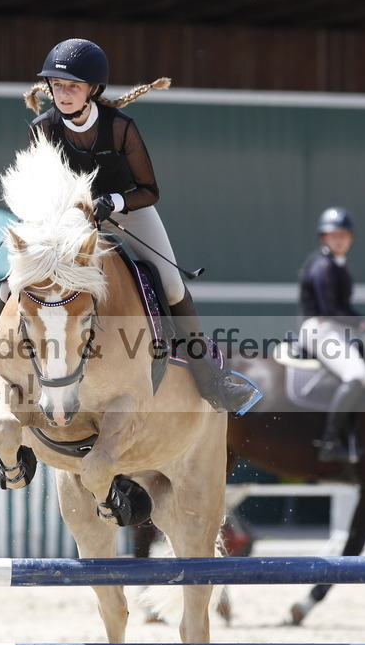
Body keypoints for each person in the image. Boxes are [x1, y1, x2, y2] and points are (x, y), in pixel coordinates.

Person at [16, 37, 261, 416]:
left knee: (172, 284)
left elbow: (149, 190)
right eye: (58, 86)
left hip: (127, 209)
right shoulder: (42, 127)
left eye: (73, 86)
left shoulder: (120, 128)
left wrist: (112, 201)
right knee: (14, 284)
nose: (63, 94)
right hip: (67, 220)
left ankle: (211, 378)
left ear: (92, 90)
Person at [298, 206, 365, 463]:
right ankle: (329, 441)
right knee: (357, 376)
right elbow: (330, 309)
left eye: (344, 235)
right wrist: (364, 323)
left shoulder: (338, 264)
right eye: (333, 235)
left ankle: (352, 436)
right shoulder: (323, 265)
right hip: (321, 329)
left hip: (335, 329)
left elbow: (344, 308)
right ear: (324, 238)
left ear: (350, 239)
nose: (339, 239)